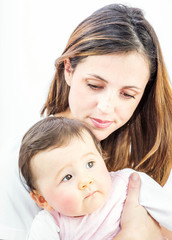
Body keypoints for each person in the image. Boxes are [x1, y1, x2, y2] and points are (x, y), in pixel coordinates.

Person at [0, 3, 172, 240]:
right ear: (69, 69)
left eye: (127, 94)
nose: (105, 107)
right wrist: (134, 233)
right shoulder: (24, 162)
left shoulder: (131, 166)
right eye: (94, 85)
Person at [19, 117, 172, 240]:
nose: (86, 181)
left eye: (90, 164)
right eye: (67, 177)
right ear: (42, 200)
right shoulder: (49, 224)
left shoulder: (129, 183)